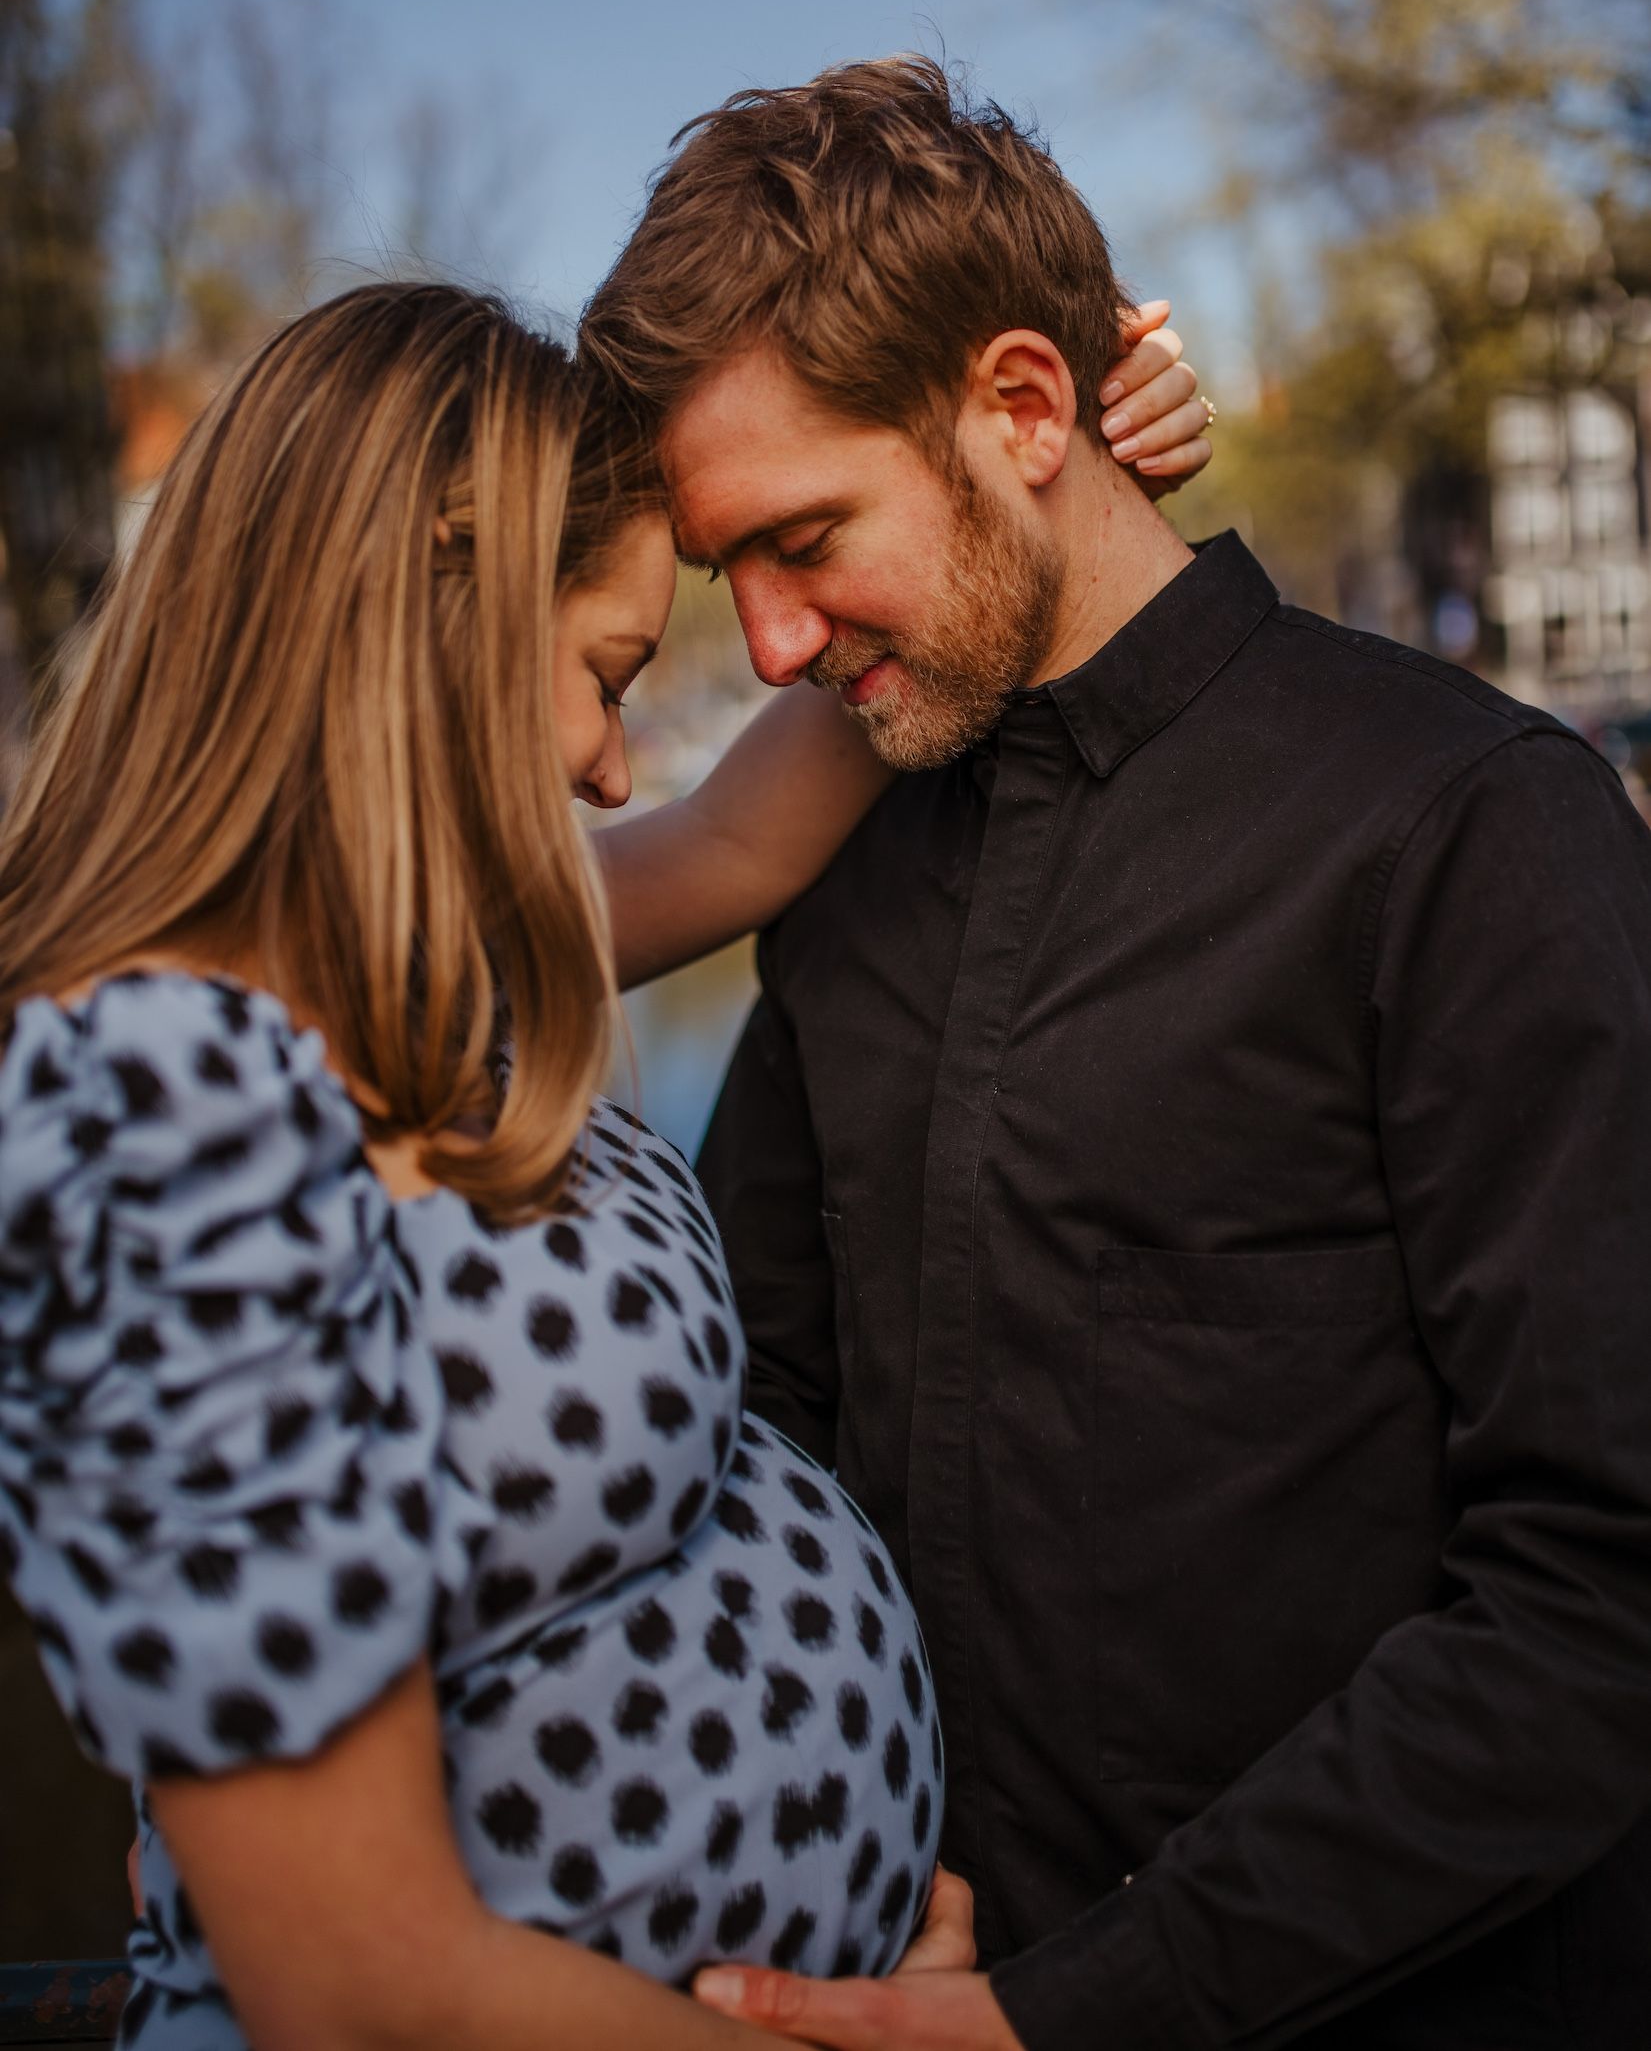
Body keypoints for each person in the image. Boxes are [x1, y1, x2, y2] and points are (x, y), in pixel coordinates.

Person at [576, 56, 1651, 2051]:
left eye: (804, 537)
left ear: (1021, 408)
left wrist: (1080, 2019)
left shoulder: (1466, 827)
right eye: (732, 572)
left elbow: (1604, 1597)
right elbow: (757, 1456)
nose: (776, 645)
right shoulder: (844, 867)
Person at [0, 276, 1204, 2049]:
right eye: (605, 677)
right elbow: (355, 1986)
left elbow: (742, 832)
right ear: (435, 610)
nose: (618, 771)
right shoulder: (148, 1104)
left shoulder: (437, 955)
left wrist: (1021, 481)